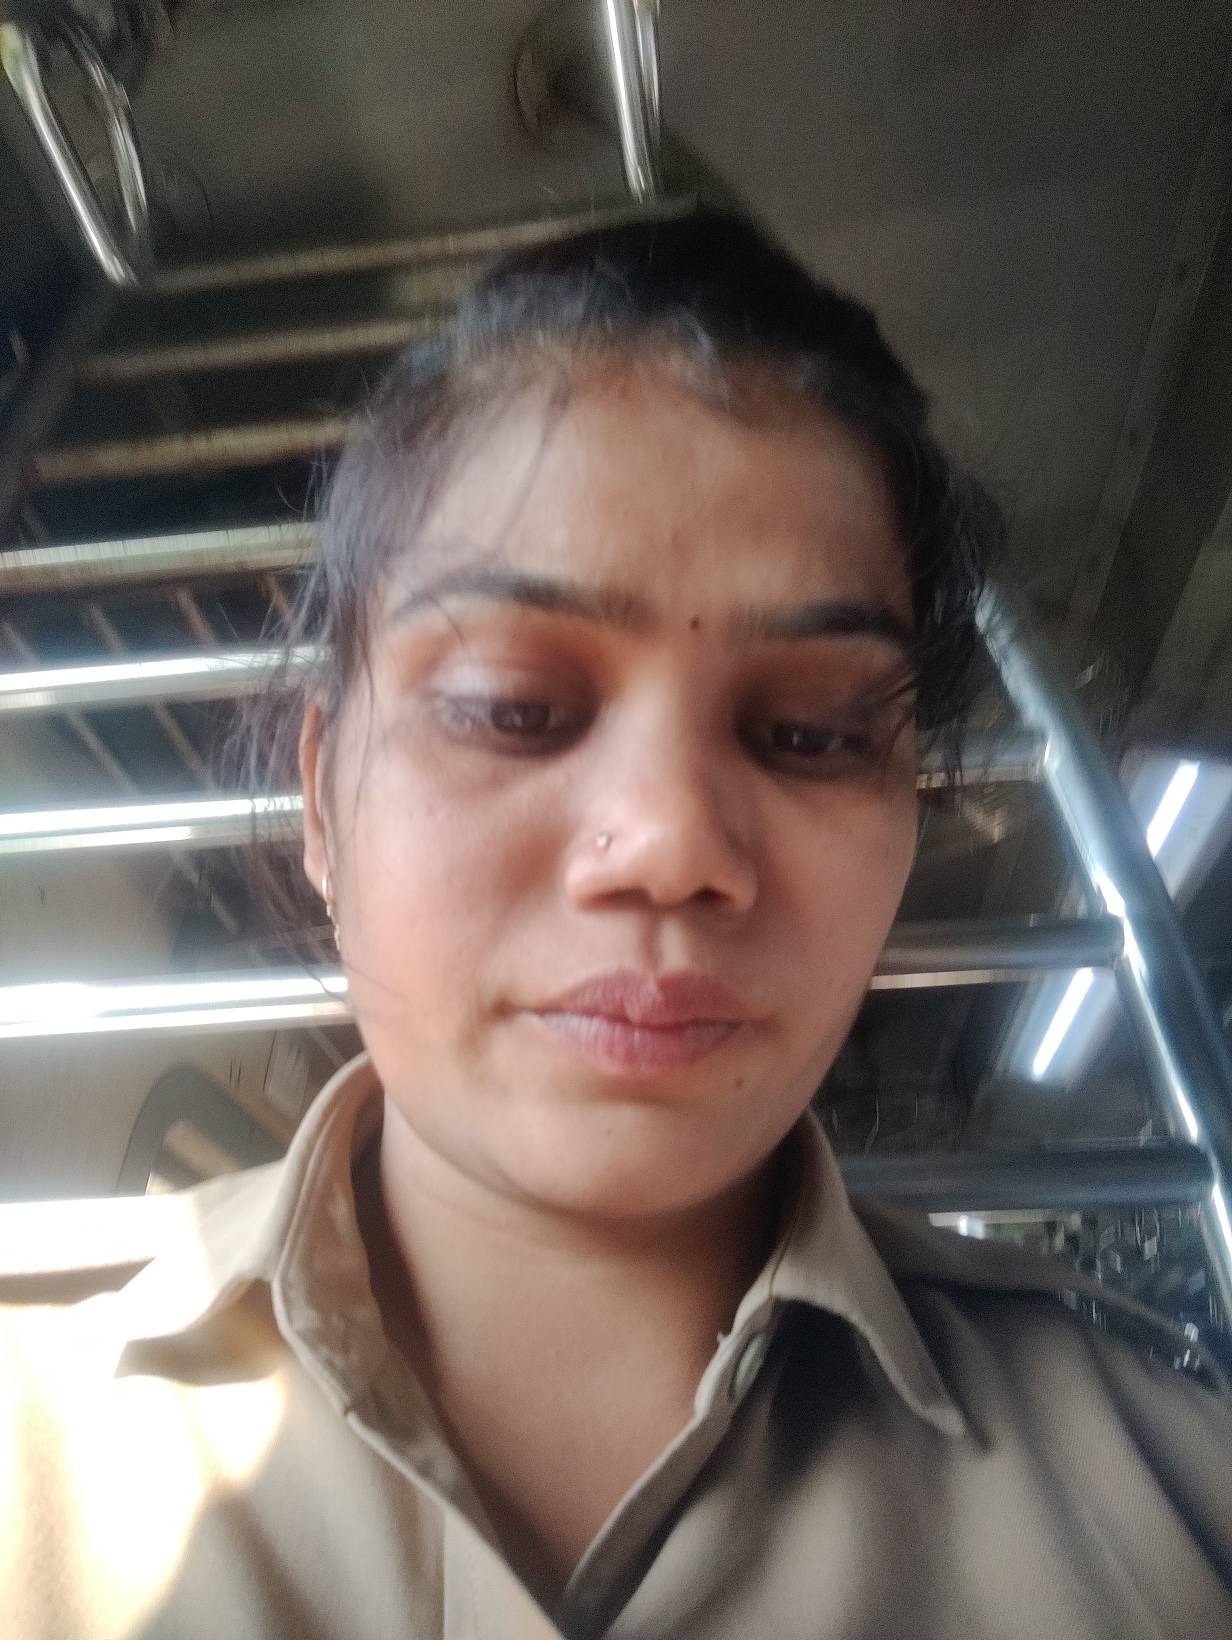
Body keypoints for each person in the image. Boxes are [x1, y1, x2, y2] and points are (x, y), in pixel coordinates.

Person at [3, 209, 1231, 1640]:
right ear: (323, 803)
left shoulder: (1178, 1514)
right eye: (513, 708)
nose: (671, 844)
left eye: (815, 733)